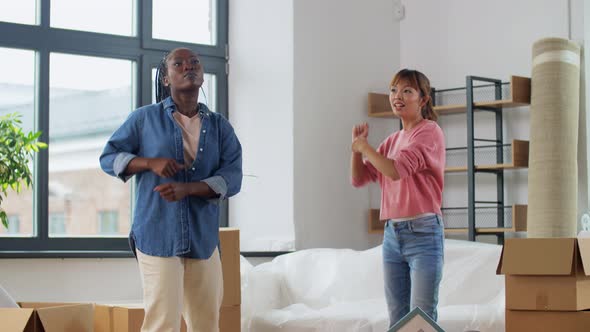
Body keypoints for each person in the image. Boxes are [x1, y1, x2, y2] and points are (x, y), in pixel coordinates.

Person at [100, 47, 242, 332]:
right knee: (162, 323)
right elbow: (108, 157)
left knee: (206, 324)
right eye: (179, 64)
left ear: (202, 75)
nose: (189, 67)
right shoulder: (143, 119)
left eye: (195, 63)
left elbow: (232, 177)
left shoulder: (220, 127)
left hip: (203, 238)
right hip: (157, 234)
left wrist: (187, 189)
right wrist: (149, 162)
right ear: (165, 78)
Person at [350, 69, 445, 327]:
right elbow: (359, 179)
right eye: (394, 90)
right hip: (392, 235)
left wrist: (365, 148)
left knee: (421, 321)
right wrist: (357, 150)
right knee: (398, 320)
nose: (397, 96)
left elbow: (395, 170)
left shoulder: (429, 132)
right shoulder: (392, 141)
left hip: (424, 234)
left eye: (407, 91)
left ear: (423, 100)